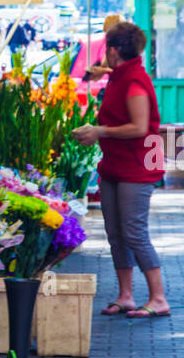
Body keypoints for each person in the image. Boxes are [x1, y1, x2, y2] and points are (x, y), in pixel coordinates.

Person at [72, 21, 169, 319]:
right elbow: (111, 74)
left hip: (136, 166)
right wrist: (103, 71)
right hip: (115, 164)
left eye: (106, 49)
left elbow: (139, 127)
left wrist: (99, 131)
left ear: (114, 50)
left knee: (134, 232)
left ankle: (158, 297)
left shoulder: (135, 81)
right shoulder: (121, 76)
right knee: (115, 233)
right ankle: (125, 295)